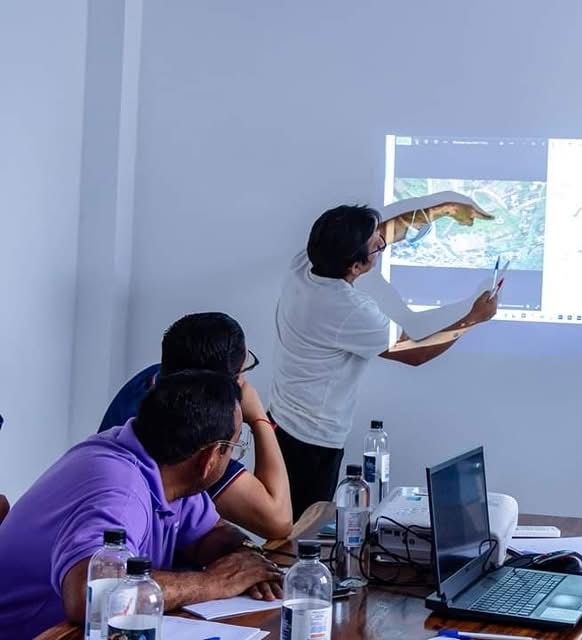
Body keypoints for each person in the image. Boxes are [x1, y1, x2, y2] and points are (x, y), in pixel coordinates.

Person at [0, 371, 285, 639]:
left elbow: (211, 534)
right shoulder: (121, 491)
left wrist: (247, 558)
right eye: (233, 447)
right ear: (209, 458)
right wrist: (214, 582)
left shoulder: (163, 467)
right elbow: (90, 596)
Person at [270, 203, 498, 518]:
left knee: (285, 519)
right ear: (355, 266)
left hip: (281, 421)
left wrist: (444, 210)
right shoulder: (349, 309)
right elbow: (416, 353)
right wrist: (473, 318)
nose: (382, 241)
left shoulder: (306, 266)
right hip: (312, 439)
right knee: (300, 527)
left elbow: (383, 232)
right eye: (375, 245)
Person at [99, 312, 292, 539]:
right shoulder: (188, 430)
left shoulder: (151, 381)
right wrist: (259, 418)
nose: (246, 383)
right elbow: (277, 520)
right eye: (243, 373)